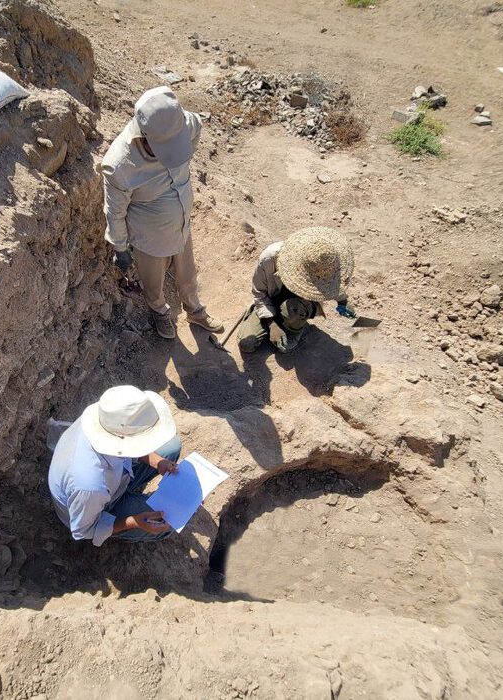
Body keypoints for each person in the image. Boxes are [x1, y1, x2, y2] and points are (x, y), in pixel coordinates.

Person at [101, 86, 224, 340]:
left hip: (182, 224)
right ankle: (160, 312)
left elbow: (196, 126)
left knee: (188, 274)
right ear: (144, 137)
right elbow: (115, 213)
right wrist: (120, 249)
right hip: (150, 238)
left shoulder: (182, 124)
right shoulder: (120, 165)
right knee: (153, 283)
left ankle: (194, 311)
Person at [48, 385, 182, 545]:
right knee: (168, 521)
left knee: (171, 447)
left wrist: (158, 462)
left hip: (111, 481)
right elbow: (83, 531)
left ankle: (132, 496)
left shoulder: (105, 421)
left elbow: (129, 447)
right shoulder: (90, 486)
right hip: (96, 508)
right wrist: (135, 522)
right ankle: (128, 509)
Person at [237, 226, 355, 354]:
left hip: (299, 304)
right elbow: (259, 294)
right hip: (271, 298)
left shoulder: (325, 263)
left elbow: (330, 283)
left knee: (288, 335)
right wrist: (272, 325)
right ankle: (269, 316)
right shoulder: (269, 259)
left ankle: (294, 325)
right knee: (246, 344)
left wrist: (343, 302)